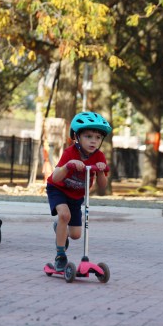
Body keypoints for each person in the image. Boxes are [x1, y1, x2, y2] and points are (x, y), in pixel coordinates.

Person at [46, 111, 112, 271]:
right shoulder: (70, 153)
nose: (93, 141)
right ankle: (60, 255)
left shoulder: (99, 156)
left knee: (75, 235)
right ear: (77, 137)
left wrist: (101, 171)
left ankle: (60, 228)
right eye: (88, 136)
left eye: (97, 137)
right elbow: (55, 178)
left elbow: (103, 186)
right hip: (58, 189)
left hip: (76, 196)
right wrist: (68, 165)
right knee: (64, 215)